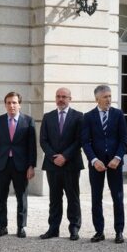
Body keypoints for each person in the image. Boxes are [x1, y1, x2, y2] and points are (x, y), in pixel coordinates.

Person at [81, 84, 127, 244]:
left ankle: (119, 231)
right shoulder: (88, 117)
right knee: (96, 198)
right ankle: (99, 231)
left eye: (109, 96)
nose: (109, 99)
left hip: (115, 163)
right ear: (97, 99)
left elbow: (123, 139)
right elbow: (85, 142)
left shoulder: (118, 114)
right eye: (105, 97)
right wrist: (94, 160)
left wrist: (118, 157)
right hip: (97, 164)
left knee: (118, 197)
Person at [0, 91, 37, 238]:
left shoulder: (28, 121)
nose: (11, 106)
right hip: (2, 164)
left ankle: (21, 227)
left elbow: (32, 146)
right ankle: (2, 226)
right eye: (8, 103)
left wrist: (31, 166)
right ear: (5, 105)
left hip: (21, 165)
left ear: (19, 105)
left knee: (21, 197)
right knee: (1, 197)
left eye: (14, 102)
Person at [39, 87, 84, 240]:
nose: (61, 99)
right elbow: (43, 140)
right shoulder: (48, 117)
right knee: (54, 198)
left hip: (71, 164)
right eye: (58, 96)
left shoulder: (78, 116)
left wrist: (64, 156)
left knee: (73, 197)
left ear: (70, 99)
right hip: (52, 165)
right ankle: (53, 228)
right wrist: (53, 157)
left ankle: (74, 228)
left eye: (64, 96)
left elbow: (79, 140)